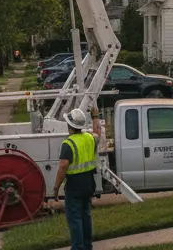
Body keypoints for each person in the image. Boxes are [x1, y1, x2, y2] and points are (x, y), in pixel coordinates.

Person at [53, 107, 98, 250]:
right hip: (89, 183)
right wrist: (96, 117)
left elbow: (62, 167)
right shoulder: (90, 138)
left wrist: (56, 188)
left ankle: (78, 248)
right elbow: (98, 133)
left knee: (74, 219)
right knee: (86, 215)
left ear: (69, 125)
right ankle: (87, 246)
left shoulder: (68, 144)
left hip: (74, 186)